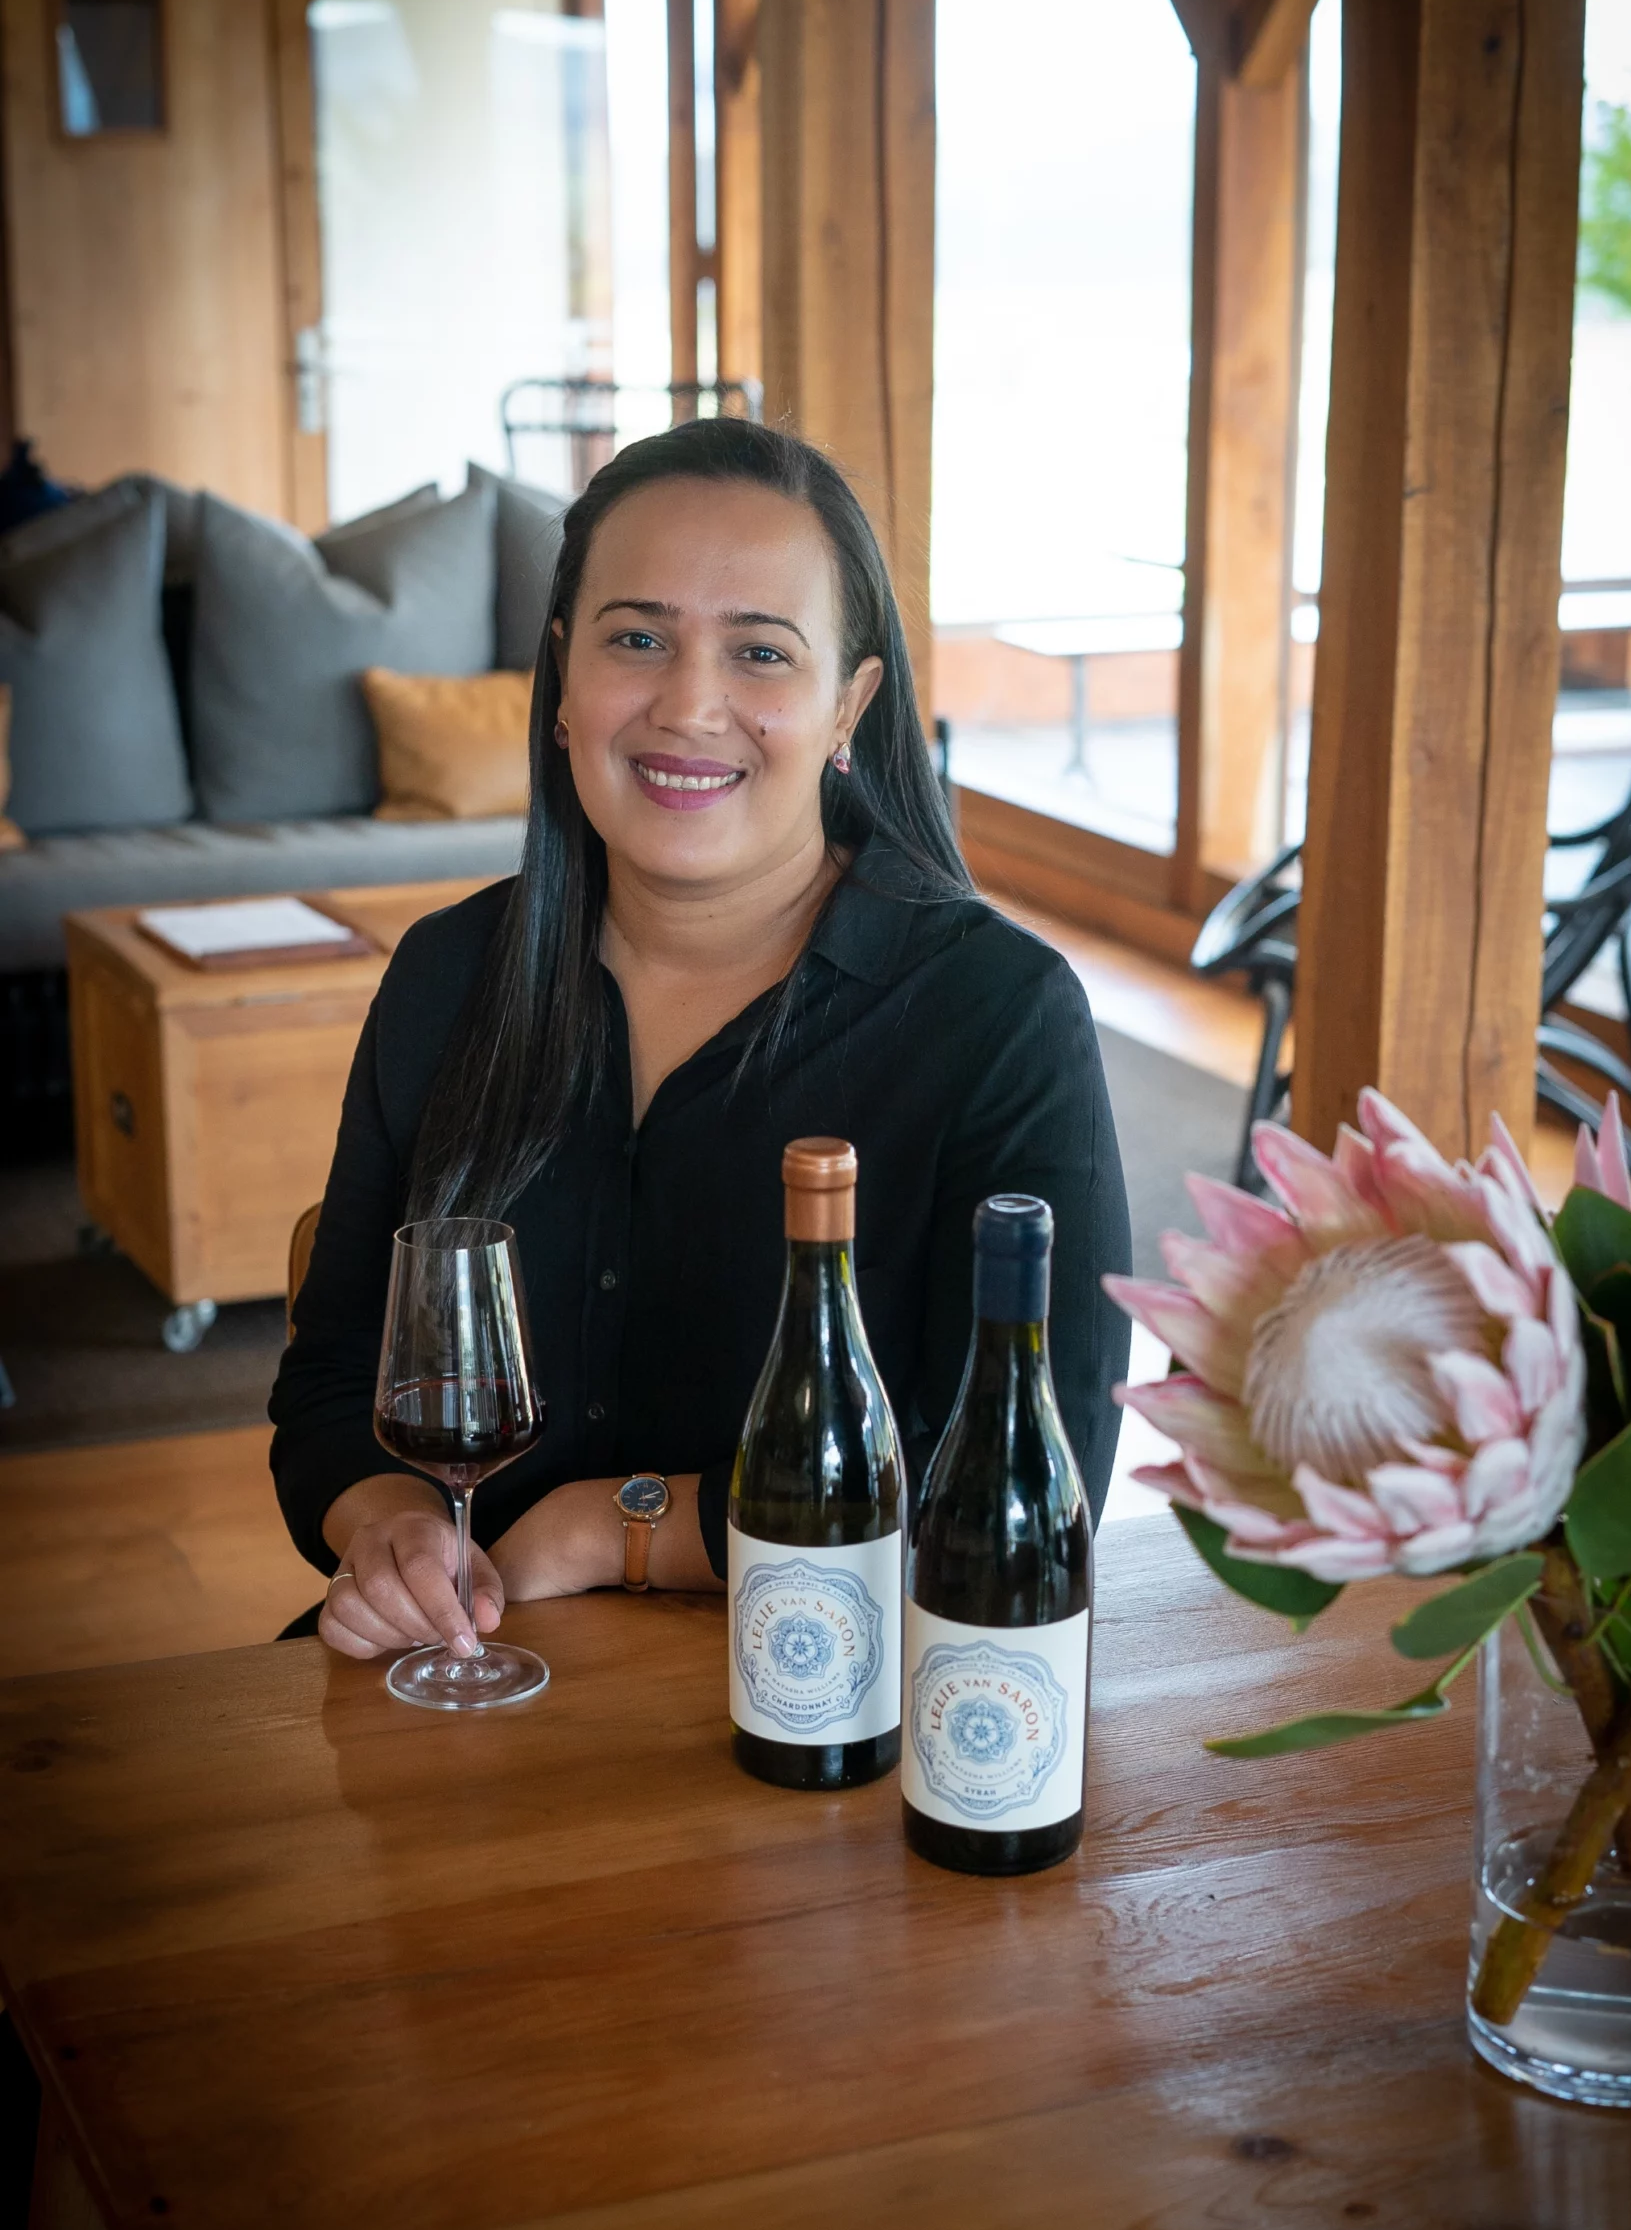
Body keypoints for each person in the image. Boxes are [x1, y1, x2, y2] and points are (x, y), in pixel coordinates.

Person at [271, 417, 1131, 1660]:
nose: (689, 705)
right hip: (459, 1675)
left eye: (761, 653)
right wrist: (398, 1526)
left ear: (851, 705)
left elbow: (1019, 1490)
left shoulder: (999, 1018)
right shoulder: (447, 975)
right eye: (637, 638)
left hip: (826, 1717)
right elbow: (337, 1373)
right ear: (562, 679)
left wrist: (611, 1528)